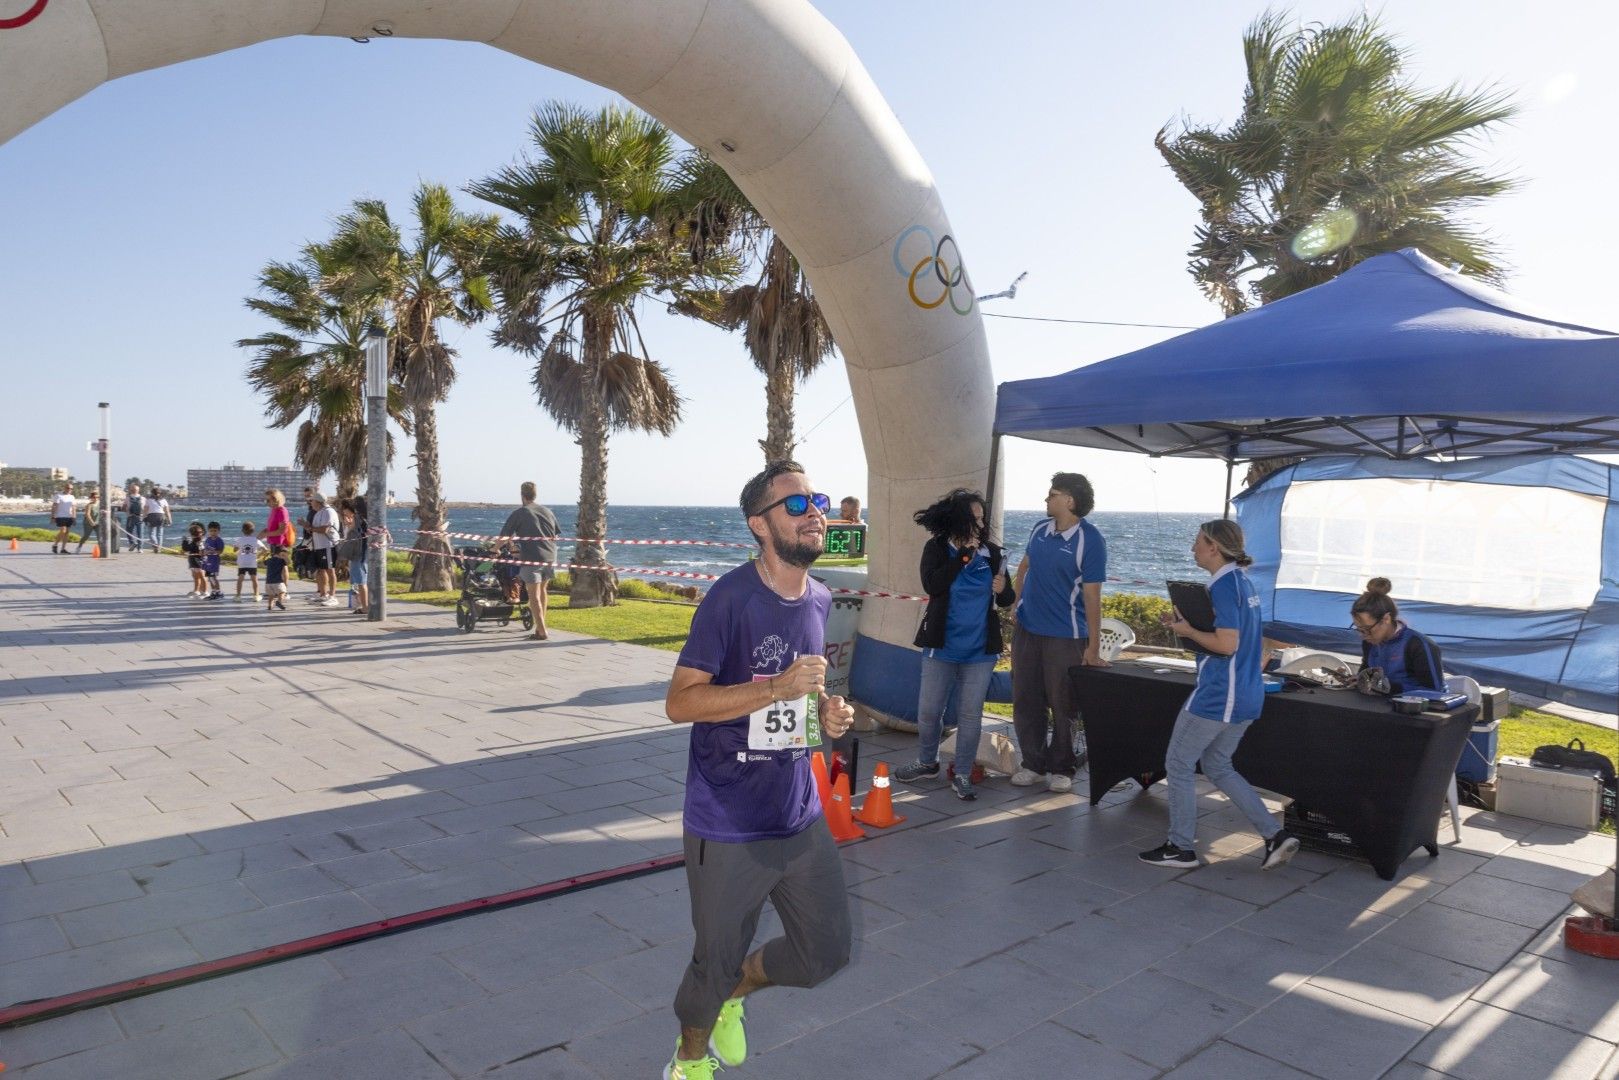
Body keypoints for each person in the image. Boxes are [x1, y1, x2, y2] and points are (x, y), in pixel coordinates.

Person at [661, 461, 854, 1080]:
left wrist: (829, 712)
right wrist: (774, 687)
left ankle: (735, 995)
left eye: (817, 499)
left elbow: (803, 703)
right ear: (760, 525)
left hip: (798, 812)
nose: (815, 511)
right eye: (796, 504)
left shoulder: (821, 597)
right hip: (728, 819)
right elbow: (681, 702)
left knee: (825, 953)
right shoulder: (730, 598)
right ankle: (689, 1060)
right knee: (711, 961)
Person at [1139, 520, 1299, 871]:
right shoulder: (1243, 582)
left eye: (1197, 542)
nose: (1192, 548)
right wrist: (1187, 626)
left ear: (1214, 547)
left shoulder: (1225, 586)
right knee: (1217, 764)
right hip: (1247, 693)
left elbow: (1226, 644)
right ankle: (1274, 833)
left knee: (1178, 764)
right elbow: (1244, 639)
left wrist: (1190, 631)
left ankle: (1181, 847)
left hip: (1219, 695)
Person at [894, 489, 1016, 801]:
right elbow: (932, 585)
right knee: (929, 711)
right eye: (973, 518)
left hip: (980, 651)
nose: (979, 524)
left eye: (982, 518)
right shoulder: (937, 548)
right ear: (957, 520)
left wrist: (1003, 590)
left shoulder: (994, 554)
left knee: (970, 714)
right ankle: (927, 762)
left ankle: (962, 773)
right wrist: (963, 557)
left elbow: (1006, 599)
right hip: (941, 646)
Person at [1009, 472, 1107, 793]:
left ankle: (1062, 767)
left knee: (1062, 703)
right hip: (1028, 630)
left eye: (1052, 494)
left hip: (1065, 636)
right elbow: (1024, 566)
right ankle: (1034, 763)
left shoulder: (1090, 540)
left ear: (1069, 500)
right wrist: (1015, 601)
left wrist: (1093, 646)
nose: (1046, 499)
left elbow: (1092, 596)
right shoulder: (1040, 529)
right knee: (1025, 698)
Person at [1352, 577, 1444, 694]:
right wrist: (1358, 680)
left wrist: (1389, 688)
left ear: (1386, 619)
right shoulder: (1369, 642)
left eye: (1366, 629)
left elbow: (1435, 691)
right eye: (1359, 629)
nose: (1363, 636)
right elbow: (1366, 674)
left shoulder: (1418, 645)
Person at [498, 481, 560, 641]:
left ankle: (542, 631)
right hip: (549, 556)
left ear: (522, 495)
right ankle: (541, 627)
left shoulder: (520, 513)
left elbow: (504, 537)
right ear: (535, 495)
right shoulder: (547, 511)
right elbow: (556, 535)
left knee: (534, 595)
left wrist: (494, 549)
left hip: (532, 558)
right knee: (542, 591)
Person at [307, 492, 340, 606]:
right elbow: (316, 529)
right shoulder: (318, 513)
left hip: (328, 545)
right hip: (319, 546)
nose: (311, 503)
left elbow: (324, 529)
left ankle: (333, 596)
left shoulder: (328, 512)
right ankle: (323, 594)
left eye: (312, 501)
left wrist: (310, 527)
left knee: (330, 570)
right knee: (321, 569)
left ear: (317, 501)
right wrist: (308, 527)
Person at [340, 496, 370, 616]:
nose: (342, 512)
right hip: (360, 552)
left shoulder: (358, 518)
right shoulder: (361, 518)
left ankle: (365, 607)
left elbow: (354, 529)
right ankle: (363, 605)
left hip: (359, 553)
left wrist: (348, 523)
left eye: (343, 509)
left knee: (361, 581)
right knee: (361, 581)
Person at [235, 522, 267, 602]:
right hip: (252, 562)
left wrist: (240, 550)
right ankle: (256, 595)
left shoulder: (239, 539)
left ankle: (238, 596)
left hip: (242, 562)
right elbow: (265, 550)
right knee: (254, 579)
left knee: (240, 579)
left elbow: (235, 549)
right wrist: (259, 556)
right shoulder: (255, 540)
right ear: (253, 531)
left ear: (242, 530)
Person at [180, 523, 207, 598]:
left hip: (199, 561)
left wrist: (201, 551)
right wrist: (184, 542)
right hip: (193, 561)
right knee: (195, 576)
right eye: (194, 533)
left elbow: (203, 552)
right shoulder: (193, 541)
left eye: (199, 533)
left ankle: (204, 592)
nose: (197, 535)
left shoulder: (201, 542)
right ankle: (196, 590)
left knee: (202, 576)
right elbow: (186, 549)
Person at [201, 522, 226, 600]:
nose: (213, 532)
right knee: (210, 578)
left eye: (215, 531)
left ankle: (218, 592)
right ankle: (213, 592)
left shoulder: (219, 540)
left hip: (214, 561)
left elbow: (220, 551)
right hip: (208, 561)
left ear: (218, 531)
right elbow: (205, 549)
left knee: (213, 577)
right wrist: (204, 552)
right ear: (208, 531)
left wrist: (211, 552)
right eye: (211, 531)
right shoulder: (208, 539)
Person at [49, 483, 75, 554]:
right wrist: (53, 516)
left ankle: (63, 549)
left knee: (67, 532)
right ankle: (55, 545)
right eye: (68, 488)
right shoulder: (58, 495)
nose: (69, 490)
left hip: (69, 516)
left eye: (71, 489)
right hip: (60, 516)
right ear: (64, 487)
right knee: (63, 530)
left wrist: (74, 517)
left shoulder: (72, 497)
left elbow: (73, 508)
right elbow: (54, 506)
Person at [144, 487, 171, 552]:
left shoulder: (149, 500)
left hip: (151, 516)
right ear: (160, 493)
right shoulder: (164, 500)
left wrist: (144, 517)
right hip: (161, 516)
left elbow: (145, 510)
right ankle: (159, 548)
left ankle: (155, 544)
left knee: (151, 533)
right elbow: (167, 511)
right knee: (160, 534)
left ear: (152, 493)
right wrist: (170, 519)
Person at [75, 488, 101, 554]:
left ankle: (100, 550)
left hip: (97, 523)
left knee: (99, 536)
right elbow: (87, 514)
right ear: (91, 498)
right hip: (88, 523)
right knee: (86, 536)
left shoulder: (100, 504)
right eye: (94, 497)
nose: (96, 499)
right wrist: (91, 522)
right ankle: (79, 547)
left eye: (97, 497)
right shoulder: (89, 505)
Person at [264, 545, 289, 611]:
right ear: (281, 553)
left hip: (268, 582)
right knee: (283, 592)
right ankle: (279, 602)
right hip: (278, 581)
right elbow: (288, 562)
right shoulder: (281, 561)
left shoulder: (269, 560)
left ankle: (270, 606)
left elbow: (264, 562)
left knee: (271, 595)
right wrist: (285, 557)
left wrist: (265, 555)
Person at [124, 483, 144, 552]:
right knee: (140, 533)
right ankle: (140, 548)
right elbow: (145, 508)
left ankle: (132, 543)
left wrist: (126, 510)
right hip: (140, 517)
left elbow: (123, 507)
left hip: (131, 517)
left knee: (128, 531)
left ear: (131, 490)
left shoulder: (128, 498)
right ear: (138, 490)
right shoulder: (143, 498)